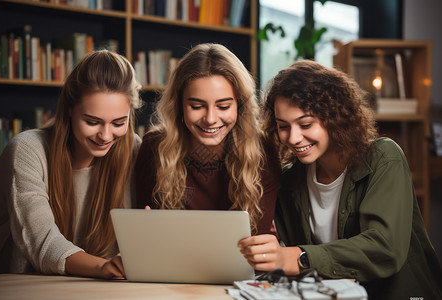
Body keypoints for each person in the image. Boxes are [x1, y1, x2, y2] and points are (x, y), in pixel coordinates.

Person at [238, 60, 442, 299]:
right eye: (283, 126)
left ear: (334, 116)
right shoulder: (290, 180)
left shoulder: (384, 158)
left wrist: (299, 257)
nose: (293, 138)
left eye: (305, 124)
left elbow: (384, 247)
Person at [0, 50, 142, 279]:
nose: (105, 135)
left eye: (119, 122)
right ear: (69, 109)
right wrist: (103, 267)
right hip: (21, 286)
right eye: (92, 122)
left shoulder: (133, 149)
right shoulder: (26, 150)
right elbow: (42, 241)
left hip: (95, 288)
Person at [134, 43, 281, 235]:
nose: (210, 119)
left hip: (241, 263)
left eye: (223, 106)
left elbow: (254, 241)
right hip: (173, 263)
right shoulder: (154, 147)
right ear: (179, 105)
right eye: (197, 106)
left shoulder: (263, 151)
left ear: (240, 105)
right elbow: (147, 234)